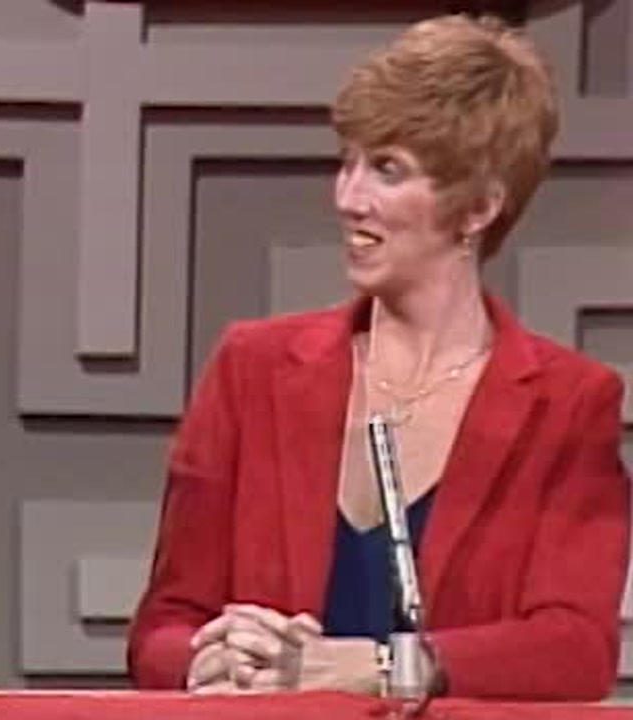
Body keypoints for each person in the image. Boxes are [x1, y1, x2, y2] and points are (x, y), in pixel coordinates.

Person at [128, 14, 630, 701]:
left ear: (478, 207)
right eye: (349, 161)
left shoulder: (568, 404)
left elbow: (575, 649)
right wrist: (210, 659)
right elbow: (162, 628)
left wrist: (381, 667)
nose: (348, 198)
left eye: (387, 170)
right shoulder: (252, 369)